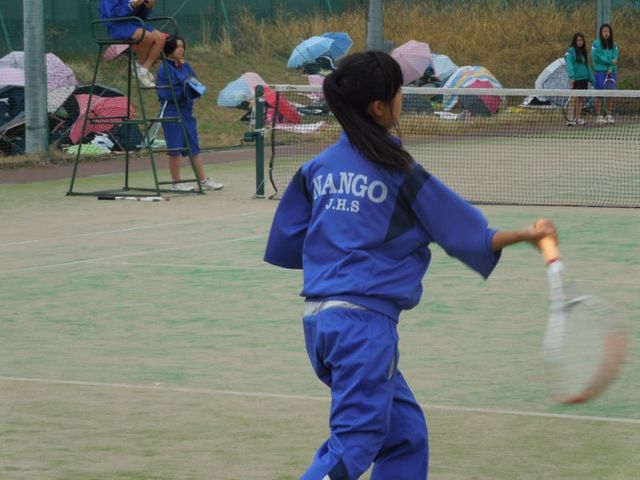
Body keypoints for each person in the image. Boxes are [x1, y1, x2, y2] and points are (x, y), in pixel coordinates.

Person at [263, 51, 557, 480]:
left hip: (320, 325)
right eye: (398, 92)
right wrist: (528, 234)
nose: (402, 98)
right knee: (355, 443)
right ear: (378, 107)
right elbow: (467, 235)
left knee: (404, 435)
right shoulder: (400, 173)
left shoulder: (317, 169)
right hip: (363, 330)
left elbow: (290, 242)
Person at [156, 36, 223, 192]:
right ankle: (176, 183)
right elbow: (170, 90)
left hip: (186, 111)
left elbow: (193, 83)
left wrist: (192, 87)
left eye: (182, 46)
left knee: (194, 146)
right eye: (177, 46)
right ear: (169, 48)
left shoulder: (186, 66)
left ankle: (203, 180)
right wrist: (186, 87)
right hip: (171, 111)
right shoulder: (164, 68)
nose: (180, 49)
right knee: (175, 148)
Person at [98, 0, 165, 87]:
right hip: (116, 25)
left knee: (161, 38)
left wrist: (148, 7)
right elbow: (113, 14)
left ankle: (144, 70)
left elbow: (141, 16)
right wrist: (132, 6)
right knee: (146, 36)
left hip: (136, 23)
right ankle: (138, 65)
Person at [564, 32, 595, 126]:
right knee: (574, 98)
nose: (580, 42)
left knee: (581, 99)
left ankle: (578, 118)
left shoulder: (583, 52)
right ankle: (570, 119)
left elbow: (587, 67)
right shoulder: (570, 51)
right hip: (575, 80)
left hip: (584, 79)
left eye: (581, 40)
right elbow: (569, 64)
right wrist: (572, 76)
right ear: (575, 41)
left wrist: (592, 80)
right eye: (578, 40)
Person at [591, 23, 620, 124]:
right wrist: (610, 62)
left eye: (608, 31)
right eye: (604, 31)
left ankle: (609, 115)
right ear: (601, 33)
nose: (606, 33)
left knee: (610, 94)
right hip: (600, 72)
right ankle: (599, 116)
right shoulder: (595, 44)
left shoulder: (614, 45)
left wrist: (611, 68)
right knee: (599, 94)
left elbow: (615, 58)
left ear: (610, 33)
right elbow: (596, 57)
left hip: (612, 72)